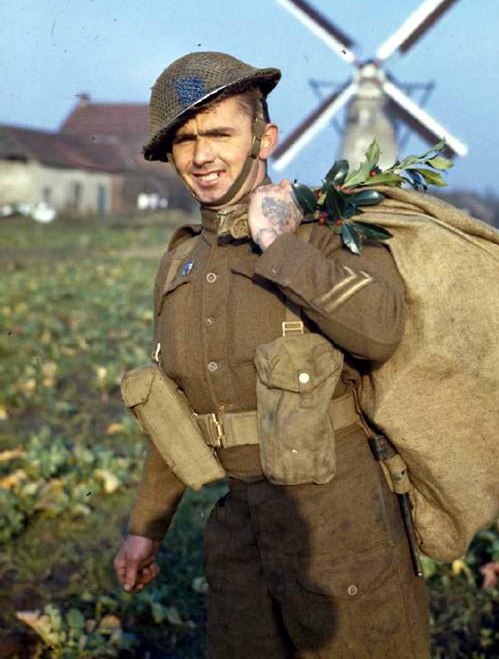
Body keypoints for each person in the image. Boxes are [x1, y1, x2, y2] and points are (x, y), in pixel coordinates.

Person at [114, 51, 430, 658]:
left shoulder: (328, 232)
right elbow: (171, 408)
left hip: (341, 529)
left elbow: (381, 331)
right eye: (185, 139)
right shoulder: (181, 262)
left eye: (220, 133)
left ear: (265, 138)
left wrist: (278, 244)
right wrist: (144, 530)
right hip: (239, 536)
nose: (202, 154)